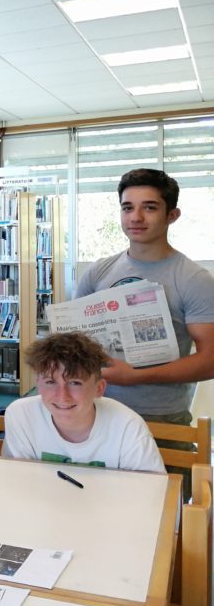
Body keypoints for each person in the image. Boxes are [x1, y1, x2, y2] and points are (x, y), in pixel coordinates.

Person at [74, 169, 214, 428]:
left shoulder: (194, 279)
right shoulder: (97, 272)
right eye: (127, 208)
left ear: (172, 215)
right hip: (95, 407)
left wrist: (134, 376)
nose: (135, 217)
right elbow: (75, 341)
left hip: (160, 416)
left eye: (149, 208)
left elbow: (210, 360)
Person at [2, 332, 165, 473]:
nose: (62, 396)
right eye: (51, 382)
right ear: (37, 383)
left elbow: (151, 493)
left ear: (99, 388)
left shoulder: (127, 426)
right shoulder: (21, 415)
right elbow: (17, 482)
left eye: (75, 383)